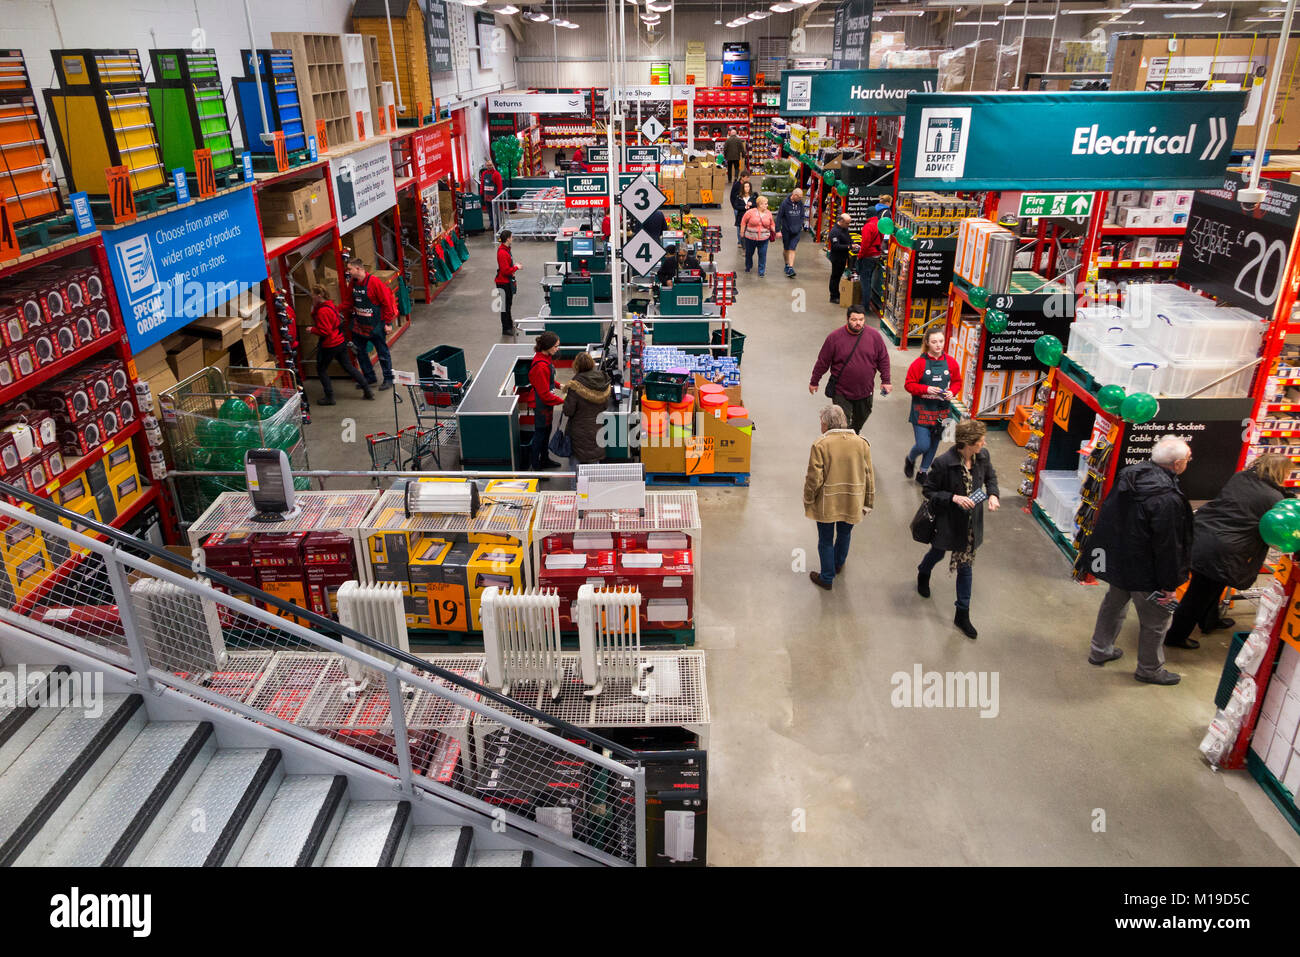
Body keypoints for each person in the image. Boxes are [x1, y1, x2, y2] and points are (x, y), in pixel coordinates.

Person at [1083, 435, 1194, 685]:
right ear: (1176, 464)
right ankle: (1149, 669)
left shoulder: (1129, 476)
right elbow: (1169, 547)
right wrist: (1169, 584)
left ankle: (1100, 650)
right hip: (1147, 573)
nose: (1189, 462)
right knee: (1157, 620)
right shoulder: (1168, 499)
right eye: (1188, 459)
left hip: (1119, 561)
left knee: (1113, 605)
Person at [1165, 453, 1290, 649]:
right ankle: (1175, 637)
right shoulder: (1274, 498)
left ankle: (1210, 621)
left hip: (1203, 534)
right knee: (1198, 595)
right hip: (1223, 548)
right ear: (1279, 473)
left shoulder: (1240, 477)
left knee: (1213, 585)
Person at [918, 418, 1001, 640]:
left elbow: (991, 477)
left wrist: (993, 494)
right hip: (948, 521)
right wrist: (953, 497)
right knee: (937, 552)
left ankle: (962, 614)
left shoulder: (983, 457)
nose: (983, 444)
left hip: (970, 525)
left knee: (966, 568)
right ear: (966, 443)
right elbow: (929, 491)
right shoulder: (943, 463)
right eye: (980, 441)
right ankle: (923, 571)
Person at [804, 404, 875, 591]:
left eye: (822, 422)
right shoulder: (862, 444)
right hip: (853, 500)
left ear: (826, 424)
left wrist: (809, 498)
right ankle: (837, 564)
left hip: (828, 501)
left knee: (826, 540)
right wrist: (868, 501)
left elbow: (814, 478)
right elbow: (869, 476)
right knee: (845, 533)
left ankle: (827, 577)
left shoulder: (821, 445)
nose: (821, 426)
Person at [808, 304, 892, 434]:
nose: (858, 323)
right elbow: (822, 362)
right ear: (847, 319)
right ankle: (845, 443)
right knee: (842, 426)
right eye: (854, 320)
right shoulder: (834, 338)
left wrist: (886, 381)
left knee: (861, 419)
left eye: (861, 319)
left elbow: (883, 359)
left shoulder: (874, 336)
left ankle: (853, 434)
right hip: (841, 392)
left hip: (865, 391)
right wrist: (814, 381)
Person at [904, 328, 963, 484]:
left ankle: (923, 472)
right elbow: (909, 385)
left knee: (935, 442)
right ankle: (910, 458)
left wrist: (953, 392)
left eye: (941, 341)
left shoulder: (951, 362)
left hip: (942, 410)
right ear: (927, 343)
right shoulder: (919, 364)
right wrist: (926, 389)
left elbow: (957, 381)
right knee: (923, 445)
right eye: (934, 342)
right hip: (921, 409)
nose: (938, 345)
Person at [308, 285, 373, 405]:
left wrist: (312, 329)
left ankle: (329, 397)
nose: (311, 296)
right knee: (348, 367)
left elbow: (325, 331)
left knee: (321, 369)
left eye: (313, 294)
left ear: (319, 295)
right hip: (340, 341)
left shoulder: (323, 311)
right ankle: (367, 390)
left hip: (329, 344)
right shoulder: (330, 305)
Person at [345, 259, 396, 390]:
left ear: (358, 269)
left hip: (376, 326)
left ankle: (389, 379)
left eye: (350, 269)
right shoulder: (353, 284)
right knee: (360, 351)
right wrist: (333, 309)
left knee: (382, 353)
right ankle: (369, 377)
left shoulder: (374, 282)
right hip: (360, 326)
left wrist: (388, 323)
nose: (348, 271)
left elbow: (386, 303)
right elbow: (349, 302)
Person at [562, 351, 612, 468]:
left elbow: (568, 411)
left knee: (575, 461)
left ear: (576, 365)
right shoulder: (602, 381)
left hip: (578, 430)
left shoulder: (575, 385)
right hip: (596, 427)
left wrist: (566, 400)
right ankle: (594, 486)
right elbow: (605, 406)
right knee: (594, 457)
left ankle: (575, 486)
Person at [528, 332, 566, 469]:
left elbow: (547, 379)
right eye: (556, 346)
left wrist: (559, 385)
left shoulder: (545, 357)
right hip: (541, 405)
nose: (557, 349)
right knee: (540, 435)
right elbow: (544, 394)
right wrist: (564, 401)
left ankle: (545, 459)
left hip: (546, 404)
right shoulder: (540, 366)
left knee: (547, 431)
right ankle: (536, 466)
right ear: (548, 346)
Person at [739, 195, 777, 277]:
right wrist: (742, 232)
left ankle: (761, 271)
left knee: (762, 254)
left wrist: (776, 231)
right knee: (749, 253)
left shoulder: (768, 213)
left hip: (764, 238)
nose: (767, 205)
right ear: (760, 204)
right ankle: (748, 266)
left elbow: (772, 224)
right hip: (750, 238)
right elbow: (743, 222)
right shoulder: (750, 212)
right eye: (765, 204)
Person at [857, 207, 884, 316]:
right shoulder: (880, 225)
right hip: (877, 255)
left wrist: (859, 256)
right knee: (870, 279)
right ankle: (867, 303)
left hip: (868, 256)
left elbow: (865, 244)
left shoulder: (868, 226)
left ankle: (865, 307)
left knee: (865, 282)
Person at [495, 229, 521, 335]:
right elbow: (505, 270)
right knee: (505, 306)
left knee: (508, 304)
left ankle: (509, 324)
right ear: (508, 239)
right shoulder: (502, 253)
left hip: (507, 281)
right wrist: (516, 268)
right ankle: (506, 328)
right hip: (503, 282)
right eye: (511, 237)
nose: (512, 238)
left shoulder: (506, 249)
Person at [777, 188, 805, 279]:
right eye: (799, 197)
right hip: (786, 230)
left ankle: (790, 267)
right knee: (786, 249)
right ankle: (786, 264)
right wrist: (777, 230)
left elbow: (802, 216)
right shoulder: (785, 204)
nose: (801, 199)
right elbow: (779, 217)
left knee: (792, 248)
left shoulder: (800, 204)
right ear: (794, 195)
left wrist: (800, 226)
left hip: (796, 231)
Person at [828, 212, 853, 305]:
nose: (848, 225)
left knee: (838, 276)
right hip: (837, 258)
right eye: (847, 223)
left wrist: (852, 243)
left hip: (843, 257)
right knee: (835, 277)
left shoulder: (844, 229)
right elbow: (836, 246)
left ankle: (837, 294)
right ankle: (833, 296)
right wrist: (849, 247)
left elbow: (848, 238)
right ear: (841, 221)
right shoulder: (834, 232)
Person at [730, 178, 754, 249]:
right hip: (742, 217)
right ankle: (744, 247)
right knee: (742, 232)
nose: (747, 188)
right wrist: (745, 207)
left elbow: (756, 205)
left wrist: (751, 204)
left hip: (751, 218)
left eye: (748, 186)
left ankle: (750, 246)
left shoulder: (753, 197)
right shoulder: (739, 197)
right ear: (743, 188)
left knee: (750, 232)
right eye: (745, 187)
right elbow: (736, 206)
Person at [481, 162, 504, 232]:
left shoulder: (496, 174)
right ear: (486, 166)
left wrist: (498, 196)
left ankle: (498, 226)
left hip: (494, 197)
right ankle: (492, 225)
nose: (489, 166)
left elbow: (500, 186)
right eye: (488, 165)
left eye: (490, 165)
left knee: (497, 212)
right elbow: (482, 184)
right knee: (490, 212)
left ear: (493, 165)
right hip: (486, 197)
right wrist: (481, 193)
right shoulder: (484, 174)